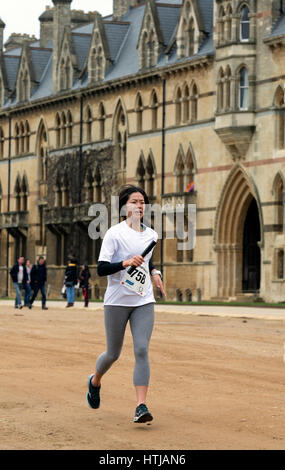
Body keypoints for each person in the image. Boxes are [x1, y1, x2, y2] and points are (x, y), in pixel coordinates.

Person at [86, 184, 165, 424]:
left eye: (142, 202)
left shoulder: (151, 235)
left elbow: (147, 261)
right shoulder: (114, 233)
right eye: (134, 201)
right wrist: (125, 263)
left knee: (141, 349)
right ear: (123, 207)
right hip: (117, 301)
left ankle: (141, 406)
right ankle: (94, 381)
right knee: (113, 353)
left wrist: (155, 273)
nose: (139, 205)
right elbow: (101, 268)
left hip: (143, 299)